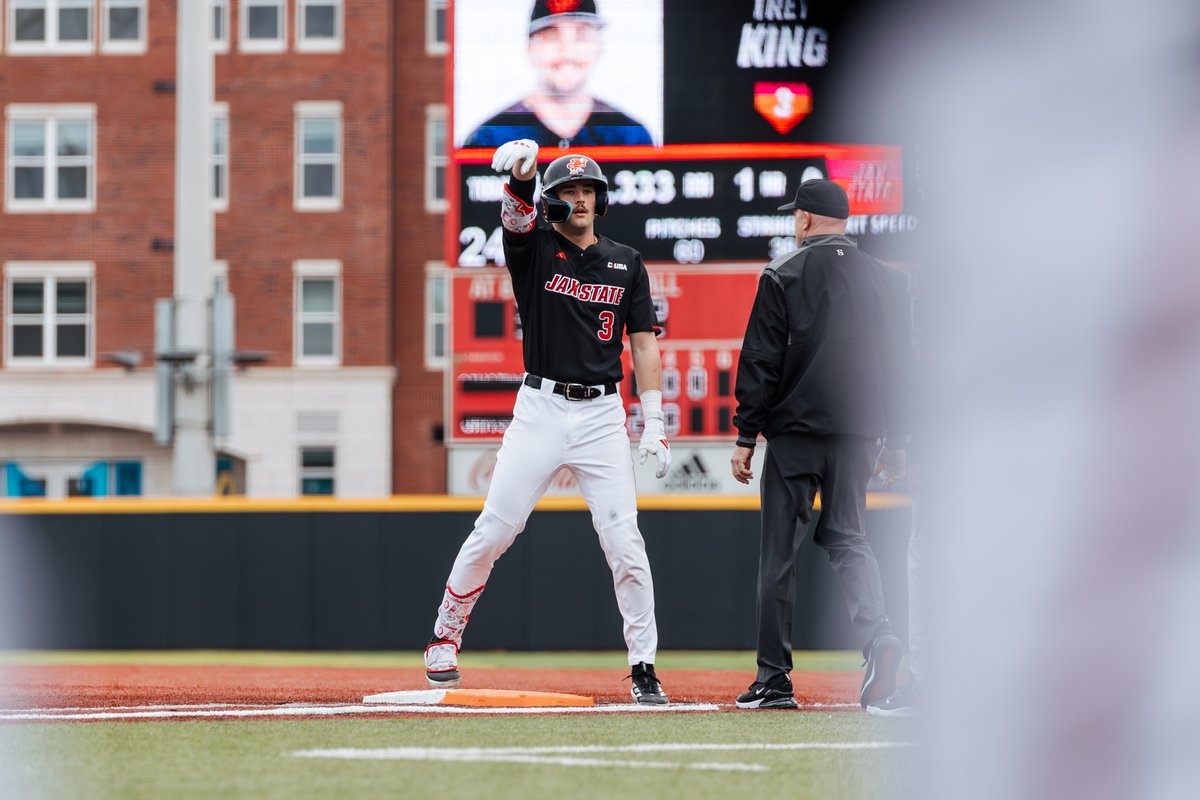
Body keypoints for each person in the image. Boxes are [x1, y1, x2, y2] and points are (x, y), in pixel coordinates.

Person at [424, 138, 671, 705]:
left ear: (601, 199)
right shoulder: (535, 249)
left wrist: (654, 418)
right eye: (568, 190)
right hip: (541, 406)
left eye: (587, 190)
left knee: (624, 541)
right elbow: (515, 217)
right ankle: (445, 632)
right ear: (552, 199)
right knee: (496, 528)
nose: (579, 199)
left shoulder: (627, 261)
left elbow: (642, 343)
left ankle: (644, 666)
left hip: (602, 414)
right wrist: (522, 175)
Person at [729, 178, 913, 710]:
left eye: (795, 215)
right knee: (849, 536)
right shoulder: (888, 279)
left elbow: (761, 359)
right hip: (860, 434)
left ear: (805, 218)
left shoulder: (782, 273)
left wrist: (746, 434)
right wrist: (897, 440)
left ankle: (773, 678)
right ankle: (879, 637)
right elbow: (901, 366)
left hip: (795, 433)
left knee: (778, 553)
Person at [462, 0, 654, 148]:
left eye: (581, 36)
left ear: (599, 48)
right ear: (530, 49)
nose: (568, 51)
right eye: (552, 37)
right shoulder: (491, 138)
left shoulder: (630, 136)